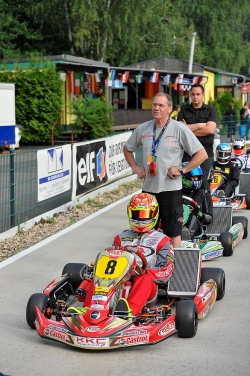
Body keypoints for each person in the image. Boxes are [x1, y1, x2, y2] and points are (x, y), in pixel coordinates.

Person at [123, 92, 208, 248]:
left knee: (173, 232)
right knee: (146, 231)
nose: (156, 108)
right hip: (148, 192)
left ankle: (175, 268)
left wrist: (183, 169)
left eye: (161, 105)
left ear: (169, 109)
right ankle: (151, 266)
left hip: (170, 190)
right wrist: (135, 167)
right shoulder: (144, 128)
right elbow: (127, 149)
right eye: (154, 104)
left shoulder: (179, 129)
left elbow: (202, 154)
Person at [77, 193, 175, 318]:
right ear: (130, 214)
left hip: (145, 283)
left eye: (144, 215)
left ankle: (130, 312)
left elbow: (166, 270)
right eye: (136, 215)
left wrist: (142, 272)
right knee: (99, 277)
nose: (140, 219)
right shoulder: (120, 238)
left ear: (154, 214)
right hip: (118, 280)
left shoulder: (163, 240)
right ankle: (89, 309)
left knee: (143, 280)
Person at [177, 84, 218, 190]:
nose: (195, 97)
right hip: (187, 154)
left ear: (203, 95)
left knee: (204, 186)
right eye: (193, 94)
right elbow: (180, 131)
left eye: (198, 94)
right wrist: (200, 125)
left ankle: (205, 207)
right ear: (190, 95)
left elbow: (210, 129)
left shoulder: (210, 111)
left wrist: (188, 129)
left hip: (206, 155)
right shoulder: (183, 111)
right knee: (186, 184)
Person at [182, 163, 213, 239]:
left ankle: (186, 236)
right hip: (178, 221)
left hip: (196, 225)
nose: (195, 179)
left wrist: (198, 213)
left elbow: (209, 218)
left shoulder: (204, 193)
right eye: (192, 177)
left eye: (197, 177)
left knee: (191, 216)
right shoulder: (177, 192)